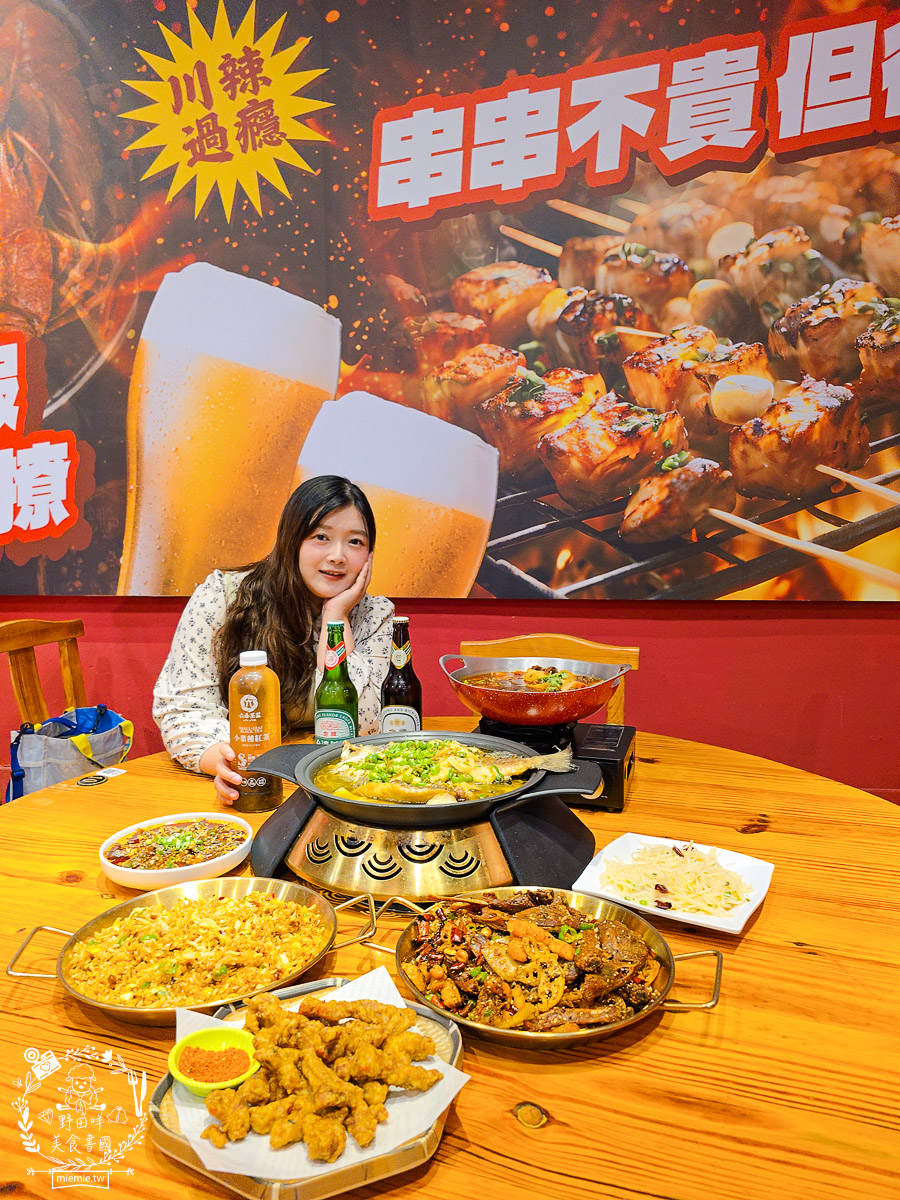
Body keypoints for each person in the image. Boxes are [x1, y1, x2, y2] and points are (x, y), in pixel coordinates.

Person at [153, 475, 394, 803]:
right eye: (321, 537)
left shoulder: (375, 615)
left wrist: (335, 618)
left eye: (355, 542)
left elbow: (367, 725)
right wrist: (229, 763)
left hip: (340, 789)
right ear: (290, 540)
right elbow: (183, 707)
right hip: (249, 784)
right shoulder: (223, 596)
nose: (338, 556)